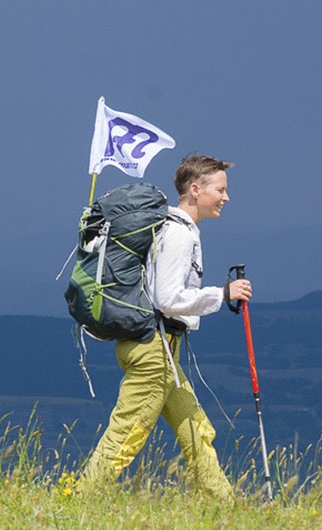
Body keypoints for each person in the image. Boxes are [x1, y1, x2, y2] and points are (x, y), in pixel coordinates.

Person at [80, 153, 253, 498]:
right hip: (153, 353)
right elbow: (168, 298)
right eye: (220, 189)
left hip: (160, 351)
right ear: (195, 190)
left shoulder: (170, 228)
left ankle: (223, 504)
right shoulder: (178, 235)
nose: (226, 197)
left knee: (195, 427)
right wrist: (222, 294)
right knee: (127, 434)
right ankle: (75, 502)